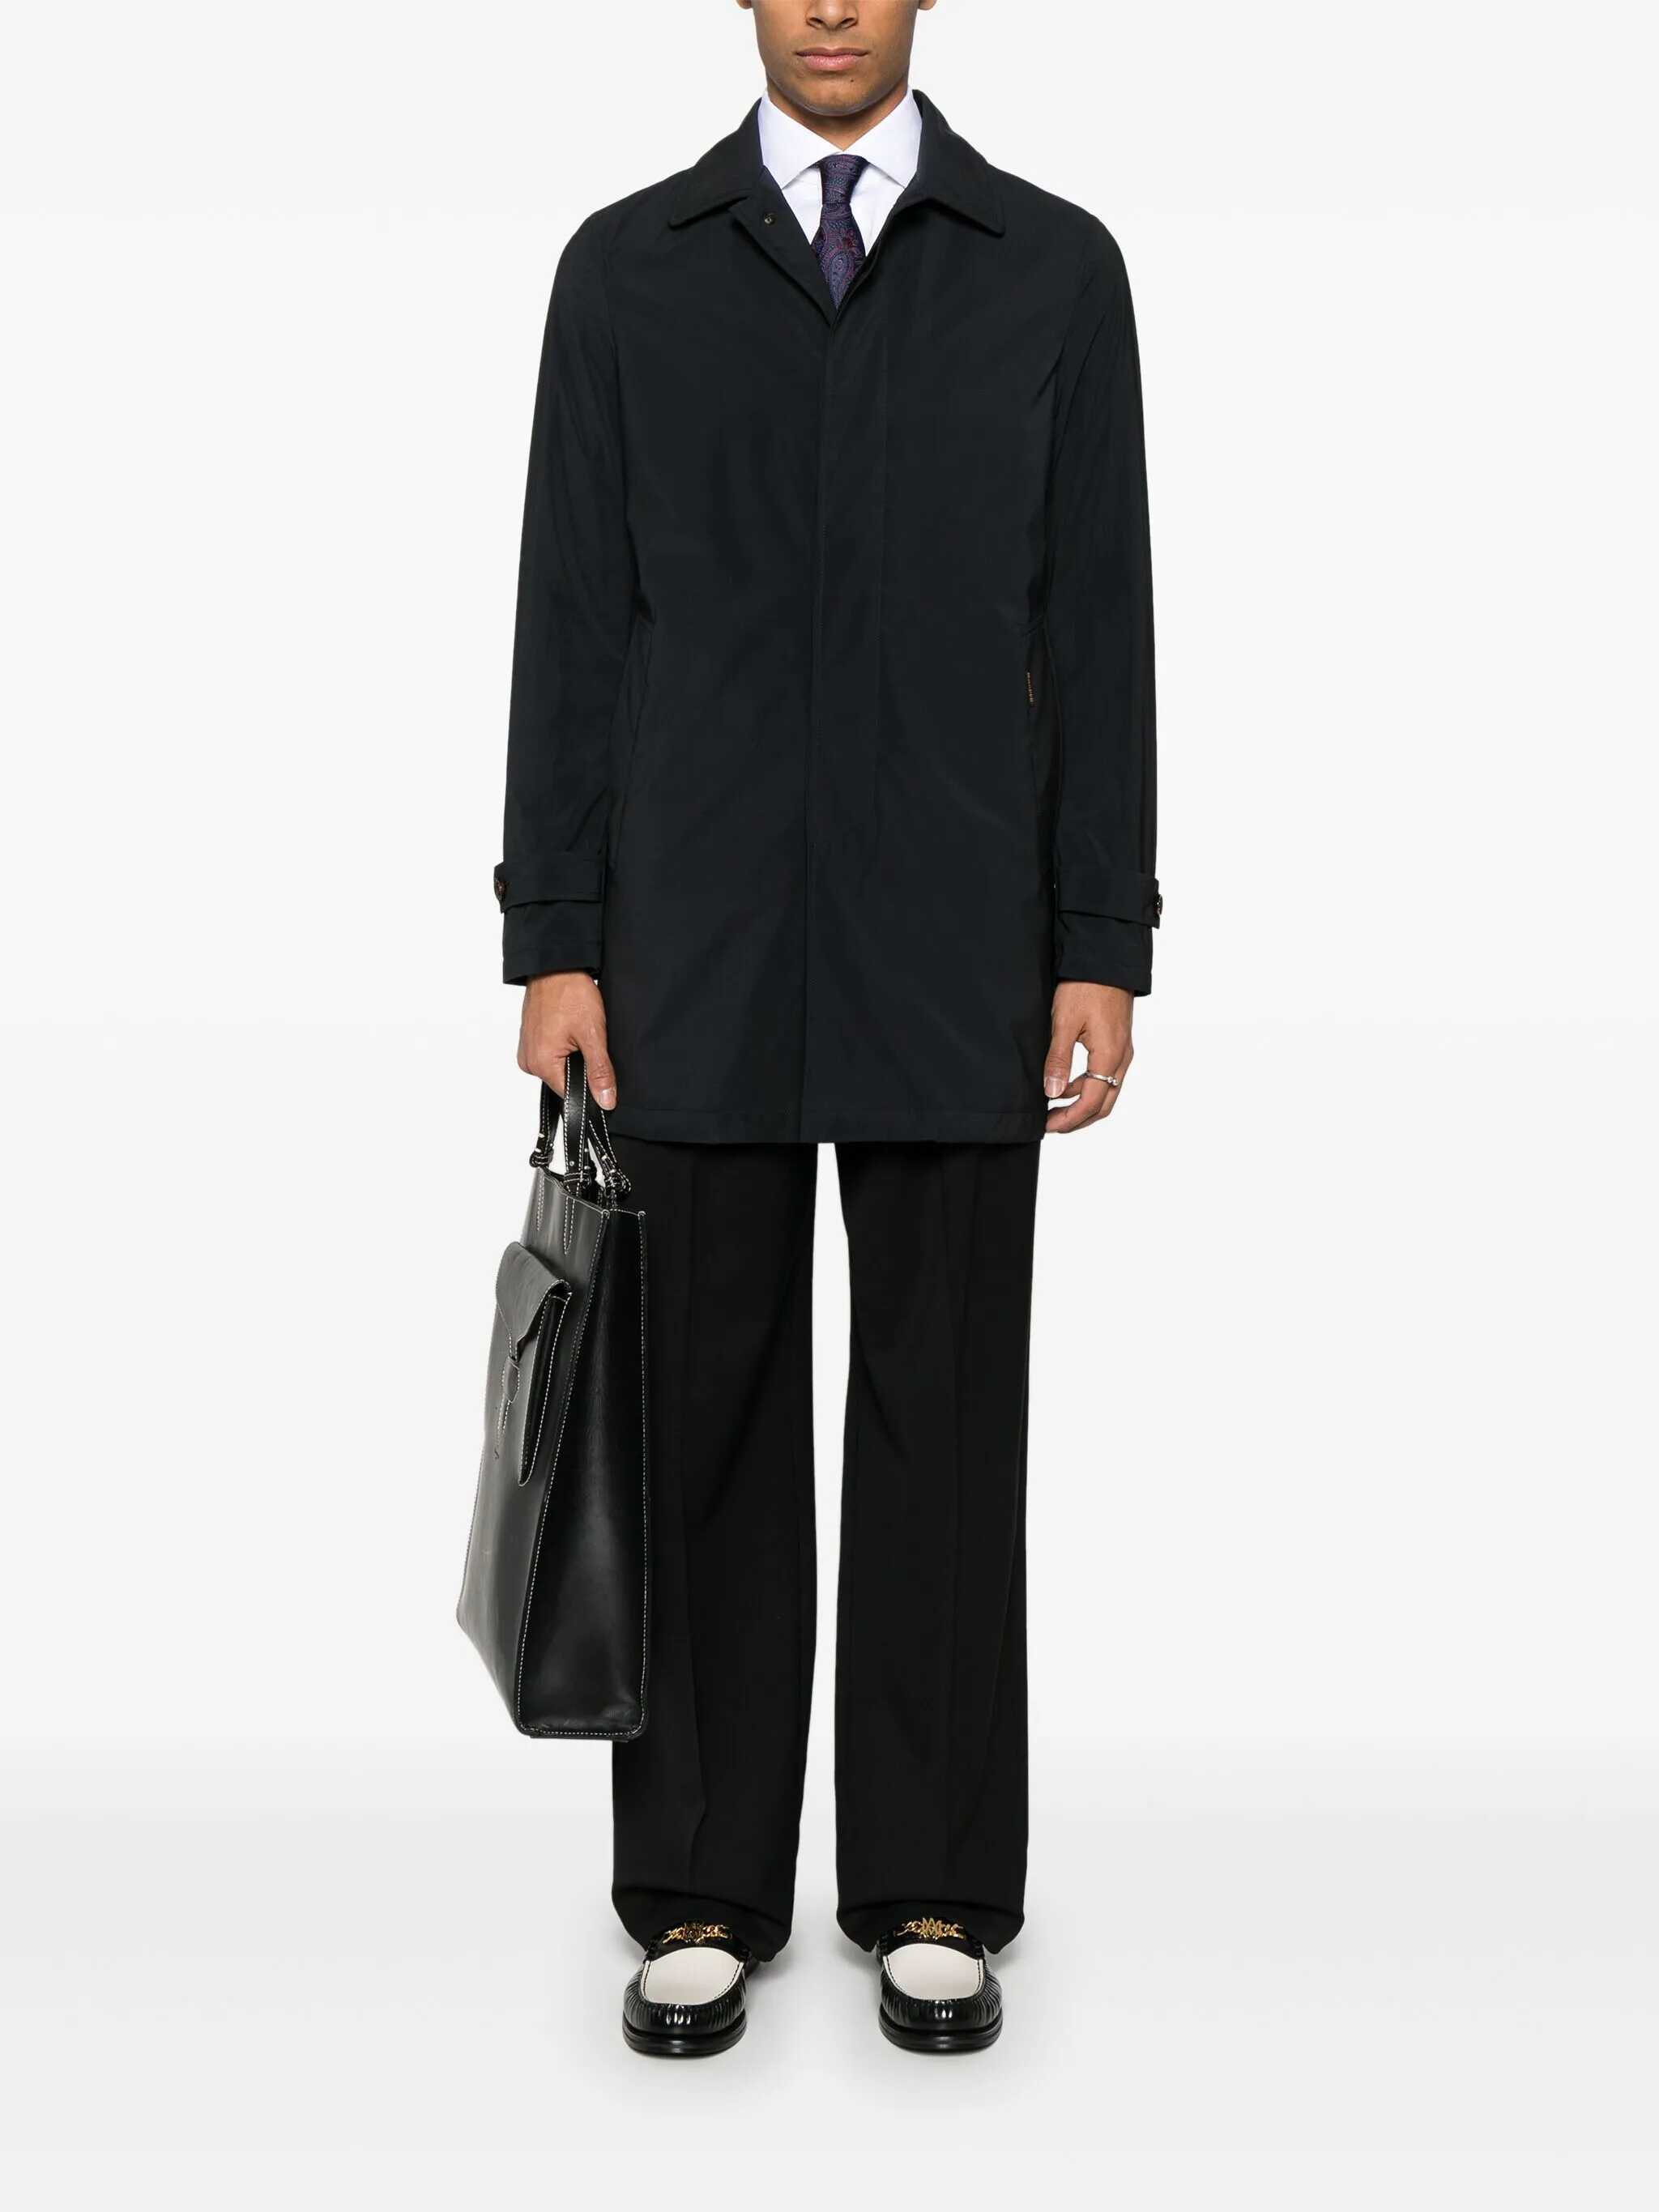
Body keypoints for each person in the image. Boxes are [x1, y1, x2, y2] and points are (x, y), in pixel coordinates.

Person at [496, 0, 1158, 2057]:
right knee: (694, 1409)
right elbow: (568, 614)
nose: (833, 6)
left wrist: (1100, 934)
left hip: (961, 938)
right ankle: (700, 1884)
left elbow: (1097, 616)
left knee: (945, 1414)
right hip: (686, 943)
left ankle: (934, 1878)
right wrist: (554, 932)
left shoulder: (1051, 269)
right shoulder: (629, 269)